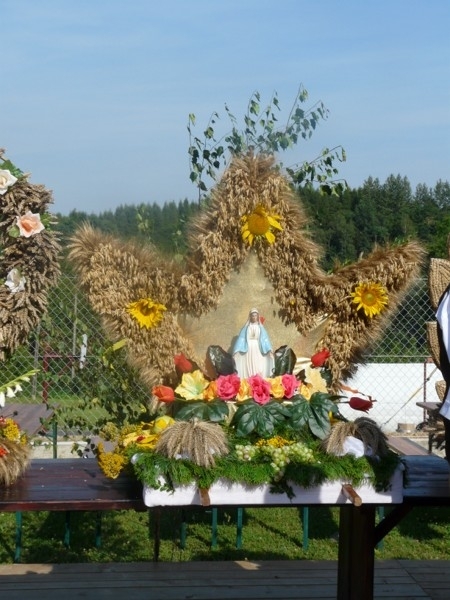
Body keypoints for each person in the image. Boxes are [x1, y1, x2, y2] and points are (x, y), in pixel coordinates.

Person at [232, 309, 274, 378]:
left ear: (257, 317)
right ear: (250, 317)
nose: (254, 317)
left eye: (255, 316)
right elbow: (241, 339)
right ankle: (250, 378)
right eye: (253, 316)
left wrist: (269, 349)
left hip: (258, 348)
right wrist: (236, 350)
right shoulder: (246, 327)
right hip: (248, 348)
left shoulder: (260, 327)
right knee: (249, 364)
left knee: (258, 364)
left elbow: (265, 339)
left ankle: (258, 378)